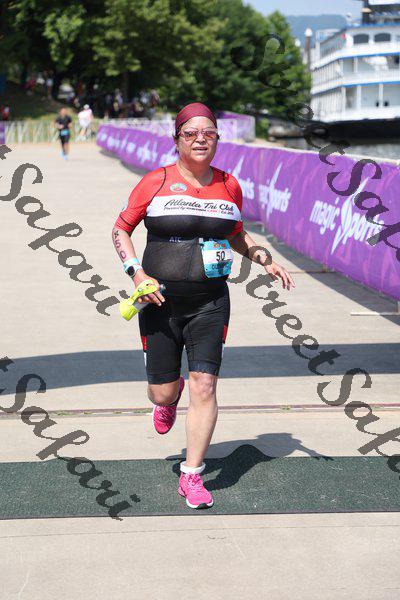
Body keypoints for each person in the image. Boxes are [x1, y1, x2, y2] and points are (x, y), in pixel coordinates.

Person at [112, 102, 295, 510]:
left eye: (209, 133)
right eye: (191, 133)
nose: (200, 140)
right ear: (177, 139)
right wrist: (136, 274)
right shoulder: (155, 181)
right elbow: (121, 229)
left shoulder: (230, 185)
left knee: (206, 384)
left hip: (210, 302)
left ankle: (191, 474)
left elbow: (236, 234)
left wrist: (265, 259)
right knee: (161, 393)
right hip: (159, 302)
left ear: (217, 139)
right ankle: (168, 398)